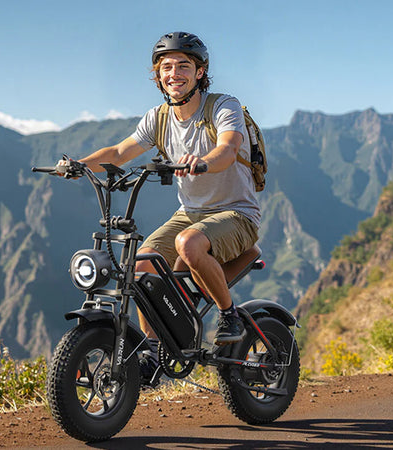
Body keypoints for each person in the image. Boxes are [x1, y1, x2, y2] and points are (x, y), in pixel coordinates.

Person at [57, 31, 260, 377]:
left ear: (200, 73)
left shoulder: (223, 107)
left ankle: (230, 316)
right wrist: (79, 164)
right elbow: (120, 153)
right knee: (140, 266)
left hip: (236, 213)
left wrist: (205, 160)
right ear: (158, 75)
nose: (174, 74)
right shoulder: (159, 117)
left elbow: (227, 148)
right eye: (166, 67)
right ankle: (151, 350)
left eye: (184, 65)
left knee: (188, 243)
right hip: (190, 214)